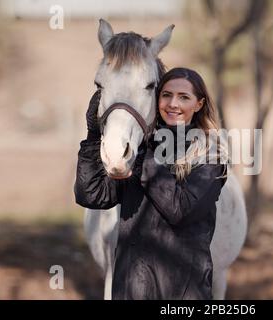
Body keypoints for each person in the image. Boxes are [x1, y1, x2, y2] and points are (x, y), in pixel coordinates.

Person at [74, 67, 227, 300]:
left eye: (184, 97)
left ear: (199, 104)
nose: (173, 104)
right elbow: (93, 195)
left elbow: (180, 211)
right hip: (131, 289)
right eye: (166, 95)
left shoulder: (211, 155)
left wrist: (142, 158)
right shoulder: (140, 151)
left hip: (184, 292)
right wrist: (94, 135)